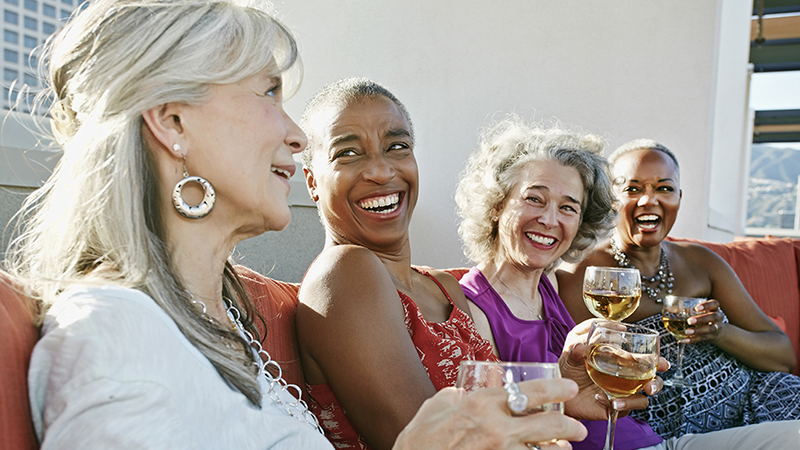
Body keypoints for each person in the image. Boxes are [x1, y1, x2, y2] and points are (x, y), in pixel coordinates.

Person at [9, 1, 589, 449]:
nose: (295, 134)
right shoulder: (111, 329)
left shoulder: (221, 327)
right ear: (172, 121)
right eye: (267, 92)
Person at [297, 79, 654, 450]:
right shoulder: (345, 271)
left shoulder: (441, 288)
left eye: (397, 147)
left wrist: (562, 390)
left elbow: (487, 419)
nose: (381, 171)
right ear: (311, 182)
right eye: (349, 153)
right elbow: (434, 443)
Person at [455, 118, 800, 450]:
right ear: (497, 204)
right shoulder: (476, 305)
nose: (550, 220)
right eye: (534, 198)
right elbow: (481, 424)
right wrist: (562, 396)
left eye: (568, 207)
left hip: (655, 440)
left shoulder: (547, 287)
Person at [556, 139, 800, 439]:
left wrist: (720, 332)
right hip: (668, 429)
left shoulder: (701, 261)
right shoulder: (587, 276)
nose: (649, 200)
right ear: (610, 199)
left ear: (679, 198)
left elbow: (783, 356)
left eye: (664, 188)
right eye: (632, 189)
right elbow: (576, 367)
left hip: (757, 399)